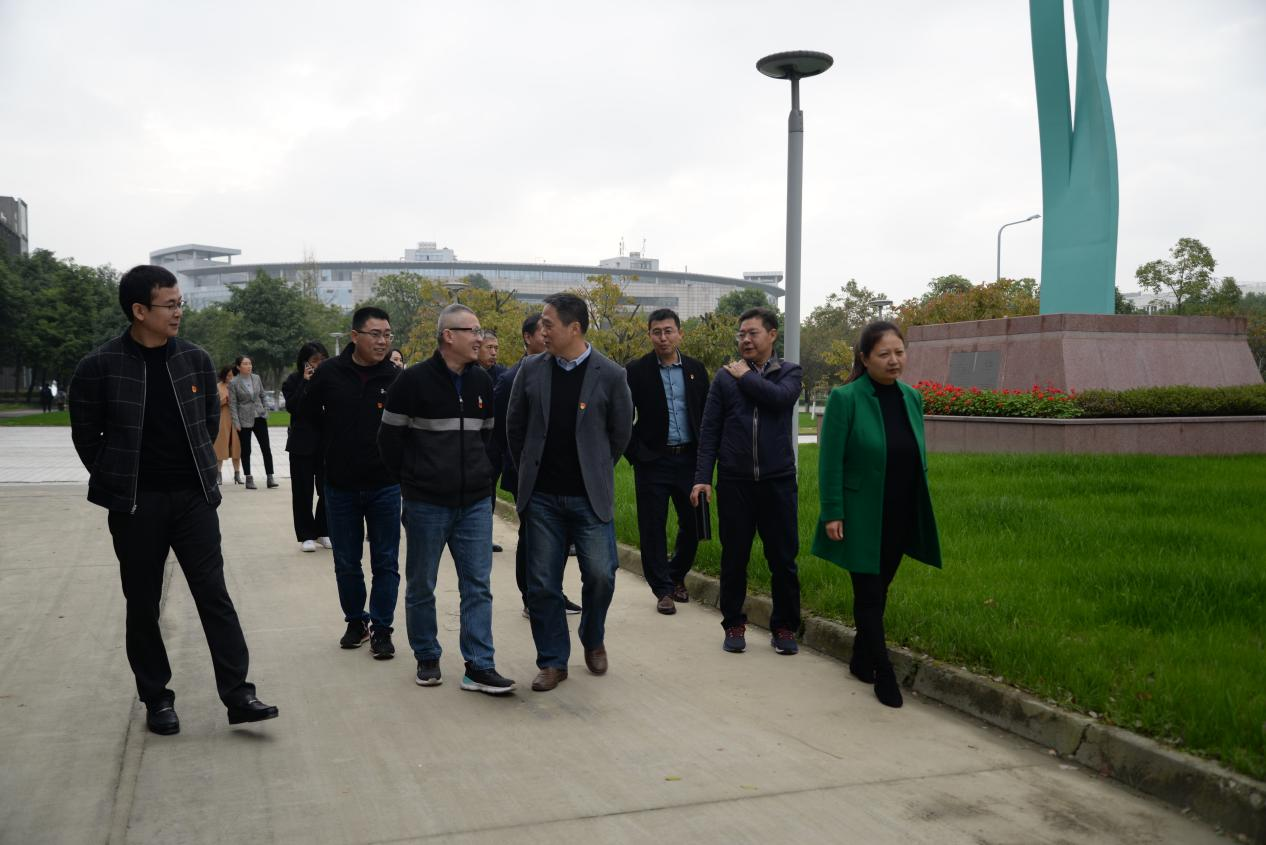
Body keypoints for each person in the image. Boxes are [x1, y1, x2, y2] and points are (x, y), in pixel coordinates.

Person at [69, 264, 278, 735]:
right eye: (170, 304)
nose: (179, 312)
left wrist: (202, 474)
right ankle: (157, 699)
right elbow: (86, 436)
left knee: (214, 595)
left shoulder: (195, 360)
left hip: (192, 499)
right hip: (136, 505)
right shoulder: (99, 367)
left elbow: (207, 423)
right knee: (143, 602)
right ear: (139, 310)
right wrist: (117, 479)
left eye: (180, 303)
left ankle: (239, 694)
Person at [379, 304, 516, 694]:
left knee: (478, 585)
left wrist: (481, 477)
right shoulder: (412, 382)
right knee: (422, 583)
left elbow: (488, 437)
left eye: (480, 330)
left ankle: (479, 665)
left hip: (474, 502)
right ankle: (427, 655)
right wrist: (414, 481)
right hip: (426, 502)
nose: (480, 337)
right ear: (448, 336)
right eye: (472, 330)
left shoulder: (482, 383)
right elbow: (389, 441)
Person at [811, 321, 942, 709]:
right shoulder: (846, 398)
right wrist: (833, 512)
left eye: (899, 352)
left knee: (880, 589)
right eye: (884, 354)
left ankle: (859, 657)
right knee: (868, 593)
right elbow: (830, 461)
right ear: (865, 358)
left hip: (901, 512)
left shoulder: (911, 398)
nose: (894, 360)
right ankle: (883, 672)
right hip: (861, 515)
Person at [507, 293, 633, 692]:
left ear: (574, 328)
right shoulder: (530, 369)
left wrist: (594, 469)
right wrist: (530, 471)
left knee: (601, 574)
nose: (541, 330)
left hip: (588, 498)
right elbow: (515, 427)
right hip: (542, 498)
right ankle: (552, 661)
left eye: (549, 324)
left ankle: (592, 637)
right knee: (542, 583)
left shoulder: (611, 374)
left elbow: (620, 434)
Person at [691, 306, 803, 656]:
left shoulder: (789, 372)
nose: (745, 340)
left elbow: (780, 400)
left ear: (772, 335)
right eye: (741, 334)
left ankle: (784, 627)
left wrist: (746, 378)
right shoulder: (724, 377)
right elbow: (710, 429)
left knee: (783, 558)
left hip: (778, 480)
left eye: (753, 333)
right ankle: (733, 623)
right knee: (734, 557)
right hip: (735, 481)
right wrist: (702, 478)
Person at [301, 307, 402, 659]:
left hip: (385, 484)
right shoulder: (329, 373)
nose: (383, 341)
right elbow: (308, 417)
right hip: (340, 485)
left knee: (386, 561)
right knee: (346, 561)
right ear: (355, 336)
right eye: (375, 334)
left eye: (387, 334)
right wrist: (326, 455)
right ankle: (356, 621)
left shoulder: (395, 377)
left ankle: (382, 628)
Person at [493, 314, 582, 619]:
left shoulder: (563, 371)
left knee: (560, 538)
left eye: (549, 330)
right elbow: (507, 430)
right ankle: (531, 596)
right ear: (527, 337)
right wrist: (523, 467)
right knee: (532, 538)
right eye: (541, 331)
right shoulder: (511, 378)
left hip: (563, 476)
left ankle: (552, 592)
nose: (546, 336)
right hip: (526, 474)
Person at [624, 308, 710, 615]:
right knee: (652, 527)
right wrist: (635, 452)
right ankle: (662, 589)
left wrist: (706, 458)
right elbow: (621, 416)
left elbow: (707, 415)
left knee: (694, 523)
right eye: (657, 332)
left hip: (689, 460)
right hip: (652, 461)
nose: (663, 337)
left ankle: (676, 575)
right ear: (649, 335)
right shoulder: (636, 371)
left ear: (680, 334)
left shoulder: (696, 369)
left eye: (668, 331)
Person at [281, 342, 331, 553]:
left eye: (323, 360)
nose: (319, 364)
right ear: (305, 363)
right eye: (315, 361)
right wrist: (305, 382)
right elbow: (294, 407)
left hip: (327, 442)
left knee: (327, 489)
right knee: (302, 491)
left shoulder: (330, 378)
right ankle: (306, 535)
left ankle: (323, 530)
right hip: (301, 444)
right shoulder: (293, 381)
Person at [227, 355, 277, 490]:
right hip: (243, 420)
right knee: (246, 450)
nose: (249, 366)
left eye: (250, 363)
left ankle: (270, 477)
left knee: (266, 448)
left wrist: (265, 410)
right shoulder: (234, 383)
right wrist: (236, 422)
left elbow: (262, 395)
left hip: (259, 417)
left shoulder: (256, 378)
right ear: (238, 367)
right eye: (245, 364)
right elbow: (232, 404)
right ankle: (248, 478)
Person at [214, 365, 243, 485]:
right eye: (228, 375)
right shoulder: (217, 387)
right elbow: (213, 404)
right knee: (220, 448)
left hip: (236, 421)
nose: (230, 377)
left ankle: (237, 475)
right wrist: (224, 401)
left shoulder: (238, 385)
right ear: (224, 375)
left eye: (232, 375)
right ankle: (218, 475)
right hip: (223, 421)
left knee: (237, 449)